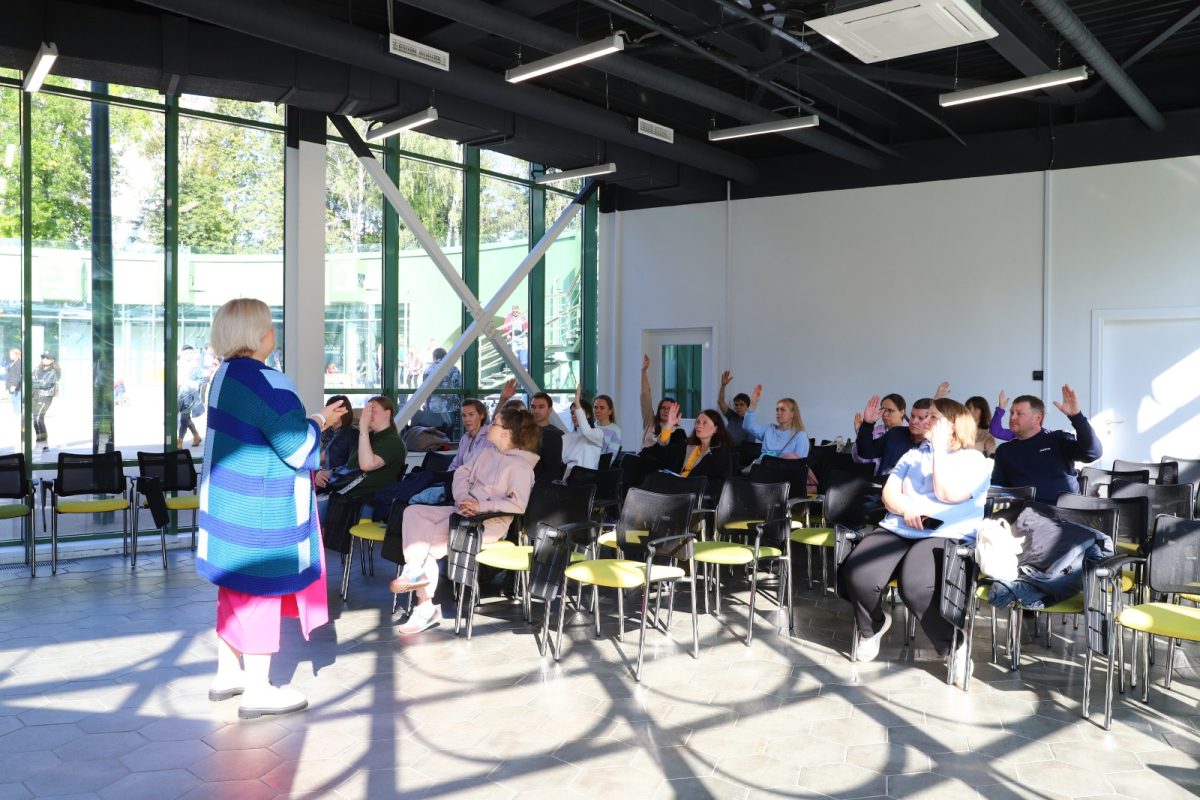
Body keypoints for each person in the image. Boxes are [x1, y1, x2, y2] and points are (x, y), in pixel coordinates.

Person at [197, 298, 345, 720]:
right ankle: (259, 689)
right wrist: (321, 424)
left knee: (234, 589)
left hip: (227, 503)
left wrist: (312, 417)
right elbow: (296, 447)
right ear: (261, 335)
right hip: (260, 508)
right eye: (270, 326)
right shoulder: (270, 381)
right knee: (261, 591)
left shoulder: (223, 376)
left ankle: (228, 673)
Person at [838, 398, 993, 685]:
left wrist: (937, 450)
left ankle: (954, 645)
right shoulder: (912, 455)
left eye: (933, 418)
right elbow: (889, 493)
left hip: (945, 532)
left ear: (952, 426)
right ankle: (872, 626)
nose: (922, 422)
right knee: (857, 572)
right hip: (900, 526)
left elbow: (947, 493)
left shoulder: (975, 461)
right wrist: (906, 509)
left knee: (917, 586)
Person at [388, 405, 541, 634]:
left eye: (495, 423)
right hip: (462, 511)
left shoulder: (521, 466)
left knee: (426, 545)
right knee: (413, 512)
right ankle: (413, 569)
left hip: (486, 524)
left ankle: (424, 607)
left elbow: (518, 505)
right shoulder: (486, 452)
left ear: (506, 433)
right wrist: (462, 498)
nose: (489, 426)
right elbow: (461, 473)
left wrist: (481, 506)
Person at [992, 385, 1103, 502]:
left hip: (1065, 514)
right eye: (1011, 413)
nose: (1012, 417)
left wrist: (1077, 417)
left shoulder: (1057, 439)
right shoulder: (1004, 450)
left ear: (1037, 418)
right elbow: (998, 487)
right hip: (1024, 515)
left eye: (1019, 413)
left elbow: (1093, 453)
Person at [315, 395, 406, 518]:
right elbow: (352, 465)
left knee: (309, 514)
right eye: (366, 411)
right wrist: (328, 473)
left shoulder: (392, 442)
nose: (367, 415)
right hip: (347, 495)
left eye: (372, 410)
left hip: (365, 501)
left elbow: (366, 465)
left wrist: (363, 430)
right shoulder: (371, 437)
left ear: (387, 414)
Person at [855, 396, 934, 477]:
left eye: (921, 418)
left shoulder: (935, 447)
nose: (913, 421)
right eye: (912, 416)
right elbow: (865, 452)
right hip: (881, 485)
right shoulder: (896, 433)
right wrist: (867, 424)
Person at [742, 385, 809, 460]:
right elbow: (748, 426)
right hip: (763, 469)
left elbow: (800, 464)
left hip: (784, 471)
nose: (778, 412)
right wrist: (753, 402)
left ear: (792, 414)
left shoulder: (800, 435)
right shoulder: (769, 429)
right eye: (777, 409)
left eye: (782, 410)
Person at [852, 393, 906, 468]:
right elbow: (861, 460)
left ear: (902, 412)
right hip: (875, 477)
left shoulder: (911, 432)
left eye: (890, 410)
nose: (885, 414)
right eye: (883, 410)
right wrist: (861, 432)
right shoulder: (876, 431)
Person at [561, 386, 604, 476]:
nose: (574, 415)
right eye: (572, 413)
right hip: (566, 479)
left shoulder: (598, 433)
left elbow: (586, 432)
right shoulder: (566, 437)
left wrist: (577, 402)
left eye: (577, 412)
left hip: (586, 481)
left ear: (588, 415)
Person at [529, 391, 565, 482]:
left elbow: (552, 471)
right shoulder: (524, 432)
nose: (536, 411)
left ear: (549, 410)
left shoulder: (554, 435)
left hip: (537, 486)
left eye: (541, 407)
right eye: (533, 407)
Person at [449, 398, 492, 470]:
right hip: (459, 478)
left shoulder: (489, 438)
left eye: (471, 415)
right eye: (464, 415)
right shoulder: (465, 438)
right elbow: (455, 465)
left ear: (482, 415)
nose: (466, 419)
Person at [717, 371, 754, 446]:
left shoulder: (750, 424)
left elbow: (750, 447)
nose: (738, 407)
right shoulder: (731, 416)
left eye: (741, 404)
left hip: (739, 454)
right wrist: (723, 385)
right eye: (736, 405)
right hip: (725, 450)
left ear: (747, 406)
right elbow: (721, 402)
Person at [319, 395, 356, 469]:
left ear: (344, 412)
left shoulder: (352, 433)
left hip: (337, 476)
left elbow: (353, 464)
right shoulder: (324, 431)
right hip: (319, 474)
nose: (329, 413)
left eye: (334, 410)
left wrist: (330, 472)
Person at [32, 353, 59, 451]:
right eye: (43, 357)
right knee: (35, 420)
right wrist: (36, 382)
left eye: (47, 358)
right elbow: (30, 379)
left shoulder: (53, 371)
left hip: (45, 396)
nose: (44, 359)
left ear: (52, 360)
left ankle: (44, 444)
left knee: (38, 418)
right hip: (34, 396)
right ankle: (40, 442)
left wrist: (35, 381)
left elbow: (46, 384)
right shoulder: (36, 369)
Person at [177, 346, 203, 449]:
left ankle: (180, 440)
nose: (188, 355)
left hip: (189, 395)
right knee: (186, 418)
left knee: (184, 418)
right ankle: (196, 435)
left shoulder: (195, 367)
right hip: (177, 394)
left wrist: (190, 383)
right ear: (182, 354)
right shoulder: (176, 365)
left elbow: (202, 380)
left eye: (190, 353)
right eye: (186, 353)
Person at [5, 348, 21, 418]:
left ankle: (18, 415)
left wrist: (14, 385)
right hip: (10, 384)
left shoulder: (19, 363)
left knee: (16, 401)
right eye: (10, 354)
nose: (10, 355)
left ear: (17, 355)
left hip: (16, 386)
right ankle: (16, 414)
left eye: (12, 354)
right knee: (13, 401)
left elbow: (18, 375)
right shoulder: (12, 362)